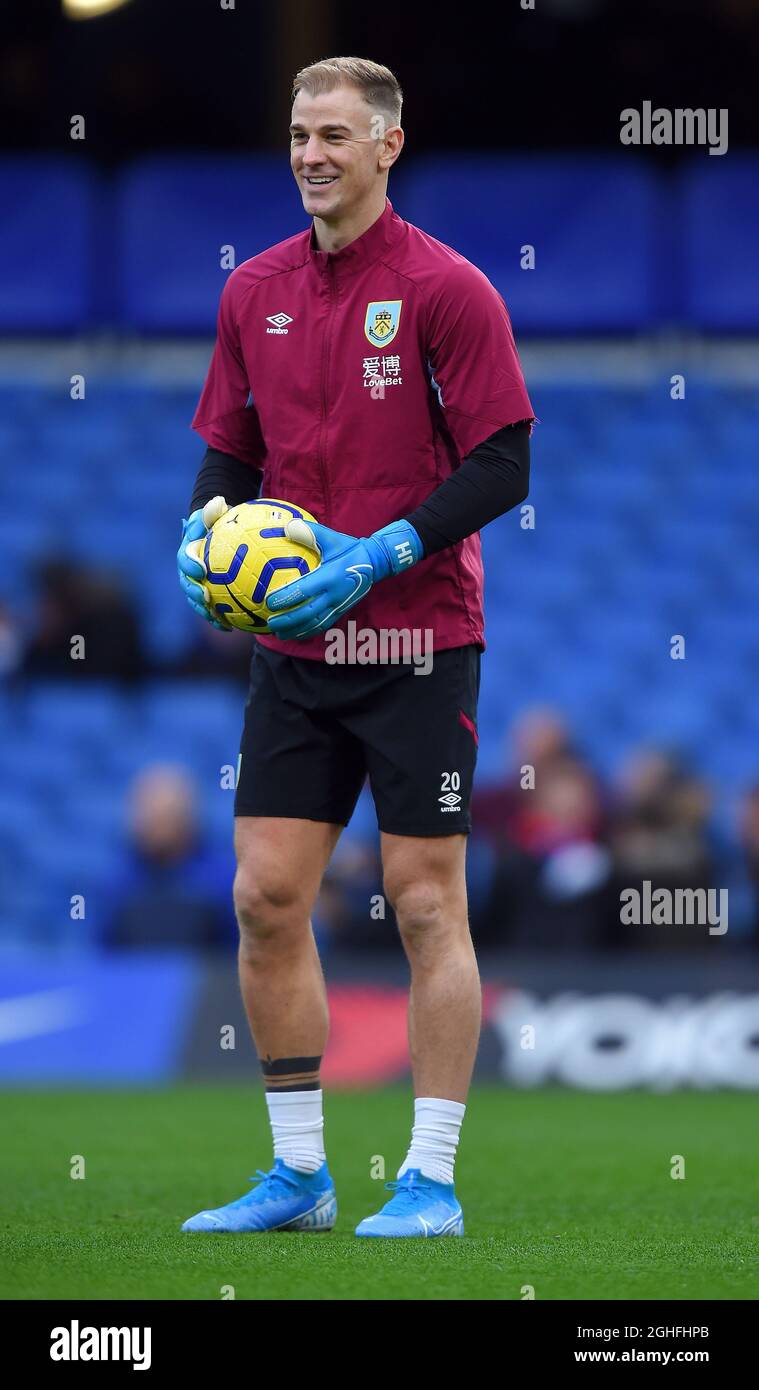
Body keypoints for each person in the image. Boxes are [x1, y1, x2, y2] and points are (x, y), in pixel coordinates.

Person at [177, 56, 533, 1238]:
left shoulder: (449, 289)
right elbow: (230, 451)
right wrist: (206, 527)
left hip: (421, 639)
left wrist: (381, 552)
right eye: (297, 133)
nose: (311, 154)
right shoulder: (255, 292)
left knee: (425, 903)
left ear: (388, 145)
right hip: (295, 645)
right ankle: (300, 1176)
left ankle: (428, 1175)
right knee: (266, 896)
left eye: (335, 133)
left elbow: (504, 461)